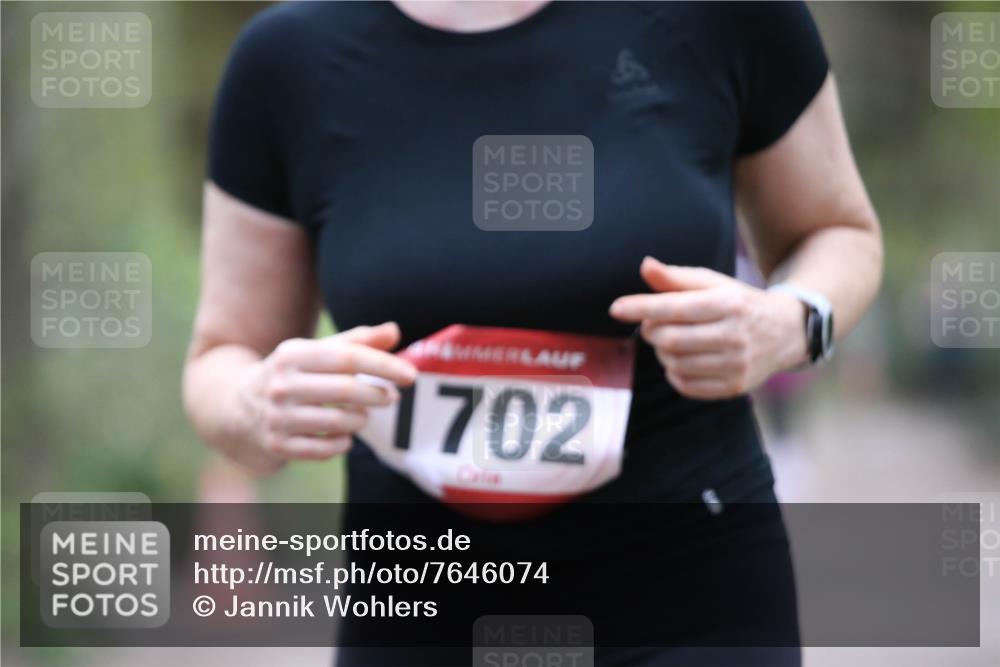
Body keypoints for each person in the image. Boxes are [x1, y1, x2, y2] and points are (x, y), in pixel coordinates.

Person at [183, 1, 882, 665]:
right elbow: (222, 355)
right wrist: (256, 401)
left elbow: (840, 231)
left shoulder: (723, 15)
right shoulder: (286, 60)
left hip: (690, 594)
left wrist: (789, 322)